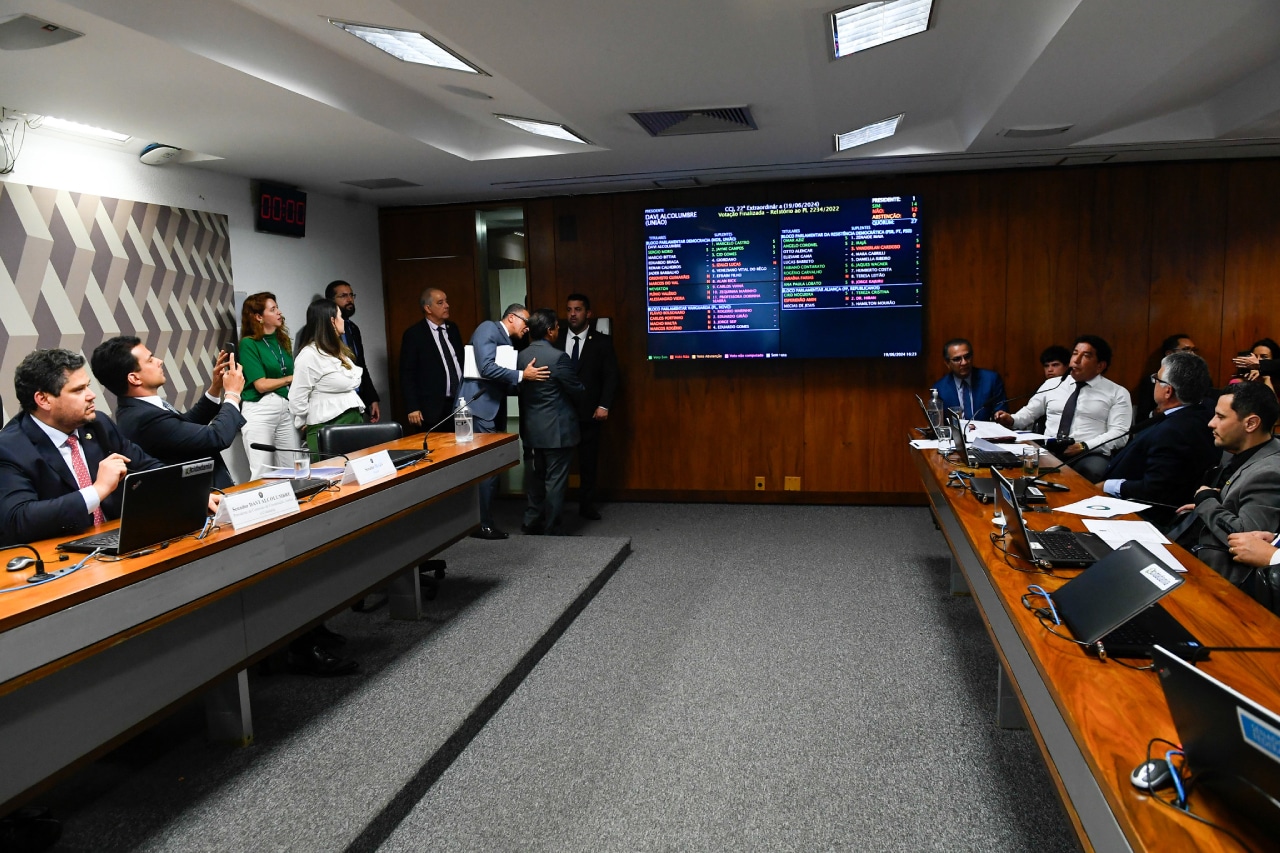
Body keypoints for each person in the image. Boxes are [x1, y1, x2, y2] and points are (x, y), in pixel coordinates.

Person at [0, 349, 165, 544]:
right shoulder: (10, 447)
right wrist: (97, 490)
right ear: (43, 400)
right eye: (78, 390)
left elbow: (149, 467)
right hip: (58, 556)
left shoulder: (98, 425)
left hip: (114, 542)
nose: (91, 395)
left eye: (87, 386)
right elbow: (18, 519)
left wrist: (181, 493)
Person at [91, 337, 246, 489]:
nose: (159, 361)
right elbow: (216, 437)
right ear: (134, 378)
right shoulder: (144, 418)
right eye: (150, 360)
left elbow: (184, 426)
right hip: (200, 499)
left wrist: (215, 388)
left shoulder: (139, 408)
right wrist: (232, 394)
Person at [1174, 382, 1280, 586]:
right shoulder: (1242, 449)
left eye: (1221, 417)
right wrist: (1206, 505)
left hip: (1213, 574)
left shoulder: (1270, 472)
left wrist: (1206, 501)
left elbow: (1245, 539)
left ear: (1251, 424)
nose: (1211, 423)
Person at [458, 304, 550, 540]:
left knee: (489, 467)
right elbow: (487, 367)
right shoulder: (488, 328)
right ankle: (481, 524)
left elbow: (500, 379)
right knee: (486, 468)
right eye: (525, 323)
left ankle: (480, 521)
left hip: (488, 408)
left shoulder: (506, 341)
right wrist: (522, 376)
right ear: (512, 317)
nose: (527, 329)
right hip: (476, 408)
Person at [1098, 351, 1217, 527]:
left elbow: (1154, 490)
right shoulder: (1200, 412)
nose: (1154, 383)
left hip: (1139, 515)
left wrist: (1108, 485)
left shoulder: (1176, 431)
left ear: (1168, 391)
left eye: (1157, 379)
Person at [994, 335, 1132, 480]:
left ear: (1100, 366)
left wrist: (1084, 446)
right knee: (1011, 466)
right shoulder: (1052, 384)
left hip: (1088, 453)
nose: (1076, 360)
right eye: (1075, 353)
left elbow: (1120, 434)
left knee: (1094, 470)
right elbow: (1028, 414)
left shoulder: (1117, 393)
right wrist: (1011, 419)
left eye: (1085, 356)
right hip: (1049, 449)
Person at [518, 309, 586, 536]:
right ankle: (552, 527)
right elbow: (576, 389)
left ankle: (531, 520)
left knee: (537, 477)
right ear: (549, 331)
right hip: (557, 430)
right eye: (557, 326)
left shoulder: (521, 356)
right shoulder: (558, 358)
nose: (559, 330)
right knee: (555, 480)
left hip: (533, 428)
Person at [555, 292, 619, 520]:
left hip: (589, 412)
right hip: (559, 413)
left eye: (578, 309)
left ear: (588, 313)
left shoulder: (601, 342)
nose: (573, 314)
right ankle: (555, 508)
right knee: (558, 463)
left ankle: (586, 504)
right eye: (569, 310)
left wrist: (604, 405)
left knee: (588, 462)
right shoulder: (556, 339)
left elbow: (611, 377)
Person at [291, 299, 365, 455]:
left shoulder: (338, 351)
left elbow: (352, 379)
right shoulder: (309, 355)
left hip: (353, 423)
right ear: (332, 321)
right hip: (328, 429)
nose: (343, 320)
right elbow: (297, 398)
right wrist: (304, 422)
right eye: (340, 316)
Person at [238, 293, 298, 479]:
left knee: (293, 469)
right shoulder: (248, 344)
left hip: (285, 407)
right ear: (259, 317)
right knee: (263, 472)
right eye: (273, 309)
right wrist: (291, 379)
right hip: (260, 409)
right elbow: (261, 385)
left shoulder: (283, 340)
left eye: (277, 307)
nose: (279, 312)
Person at [400, 287, 465, 432]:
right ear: (428, 308)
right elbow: (407, 373)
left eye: (446, 301)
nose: (447, 305)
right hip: (431, 407)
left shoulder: (453, 328)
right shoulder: (414, 334)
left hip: (458, 402)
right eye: (440, 303)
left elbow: (459, 361)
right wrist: (412, 407)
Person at [325, 280, 381, 423]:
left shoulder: (353, 329)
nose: (349, 300)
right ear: (331, 301)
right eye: (343, 296)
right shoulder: (322, 332)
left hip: (358, 400)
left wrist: (372, 399)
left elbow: (360, 365)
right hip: (336, 404)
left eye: (351, 295)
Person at [930, 338, 1006, 420]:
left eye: (967, 357)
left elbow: (1002, 412)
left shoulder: (991, 380)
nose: (964, 362)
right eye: (957, 359)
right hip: (956, 432)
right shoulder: (940, 388)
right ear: (947, 363)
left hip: (985, 431)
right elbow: (939, 423)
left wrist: (1000, 416)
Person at [1132, 334, 1197, 421]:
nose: (1192, 354)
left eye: (1193, 350)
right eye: (1186, 350)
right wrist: (1158, 412)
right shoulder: (1151, 381)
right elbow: (1141, 418)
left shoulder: (1201, 380)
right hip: (1160, 427)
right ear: (1169, 354)